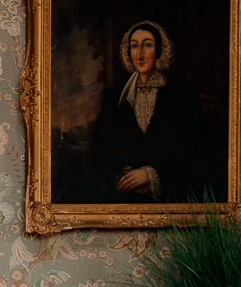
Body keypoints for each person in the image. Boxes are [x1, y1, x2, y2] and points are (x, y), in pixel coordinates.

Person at [90, 20, 214, 203]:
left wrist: (152, 175)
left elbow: (197, 149)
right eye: (134, 46)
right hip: (124, 199)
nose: (139, 54)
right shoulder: (115, 95)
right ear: (128, 52)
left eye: (147, 45)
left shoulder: (182, 92)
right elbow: (101, 148)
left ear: (159, 50)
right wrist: (123, 176)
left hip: (172, 197)